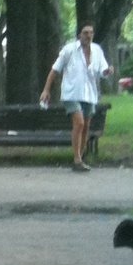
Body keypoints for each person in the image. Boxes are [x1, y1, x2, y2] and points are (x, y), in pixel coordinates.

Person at [40, 24, 109, 172]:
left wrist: (107, 71)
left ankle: (79, 157)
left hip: (89, 93)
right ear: (79, 35)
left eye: (91, 33)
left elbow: (102, 71)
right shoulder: (69, 50)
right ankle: (77, 160)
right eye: (85, 33)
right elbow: (54, 70)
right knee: (79, 123)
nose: (88, 35)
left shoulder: (97, 50)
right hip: (71, 93)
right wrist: (46, 90)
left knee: (86, 126)